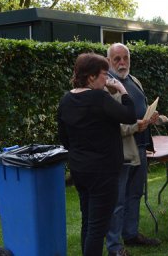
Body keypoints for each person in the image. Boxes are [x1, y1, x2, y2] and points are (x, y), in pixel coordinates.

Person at [57, 53, 137, 256]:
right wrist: (122, 90)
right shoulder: (99, 98)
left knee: (88, 221)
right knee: (97, 227)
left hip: (80, 169)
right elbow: (129, 115)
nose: (107, 78)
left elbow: (64, 137)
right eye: (104, 74)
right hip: (103, 172)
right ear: (91, 77)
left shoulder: (66, 99)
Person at [105, 44, 161, 256]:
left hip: (140, 145)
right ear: (108, 61)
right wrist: (135, 126)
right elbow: (108, 125)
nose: (122, 63)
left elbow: (138, 108)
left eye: (125, 58)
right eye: (117, 59)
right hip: (121, 150)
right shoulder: (107, 86)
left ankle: (130, 234)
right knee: (117, 200)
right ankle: (115, 247)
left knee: (135, 194)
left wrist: (151, 117)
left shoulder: (134, 80)